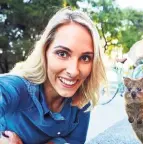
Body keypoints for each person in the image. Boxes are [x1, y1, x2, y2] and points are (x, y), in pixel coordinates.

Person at [0, 7, 106, 144]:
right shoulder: (18, 87)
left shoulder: (83, 101)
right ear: (45, 51)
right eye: (62, 54)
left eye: (85, 58)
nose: (74, 71)